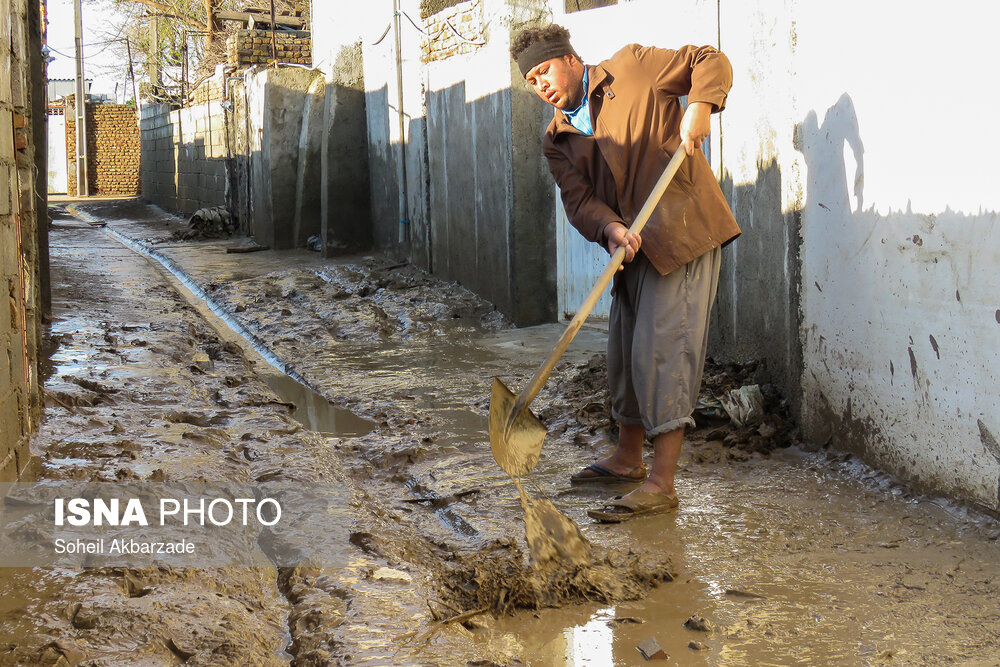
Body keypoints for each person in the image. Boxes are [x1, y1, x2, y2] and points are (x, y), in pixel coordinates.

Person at [510, 24, 741, 522]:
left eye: (544, 70)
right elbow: (579, 202)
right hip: (631, 246)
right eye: (531, 80)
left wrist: (699, 105)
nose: (541, 84)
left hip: (681, 231)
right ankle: (629, 458)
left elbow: (707, 58)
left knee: (663, 351)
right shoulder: (558, 138)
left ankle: (662, 482)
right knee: (623, 351)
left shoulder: (632, 68)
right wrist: (610, 227)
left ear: (569, 59)